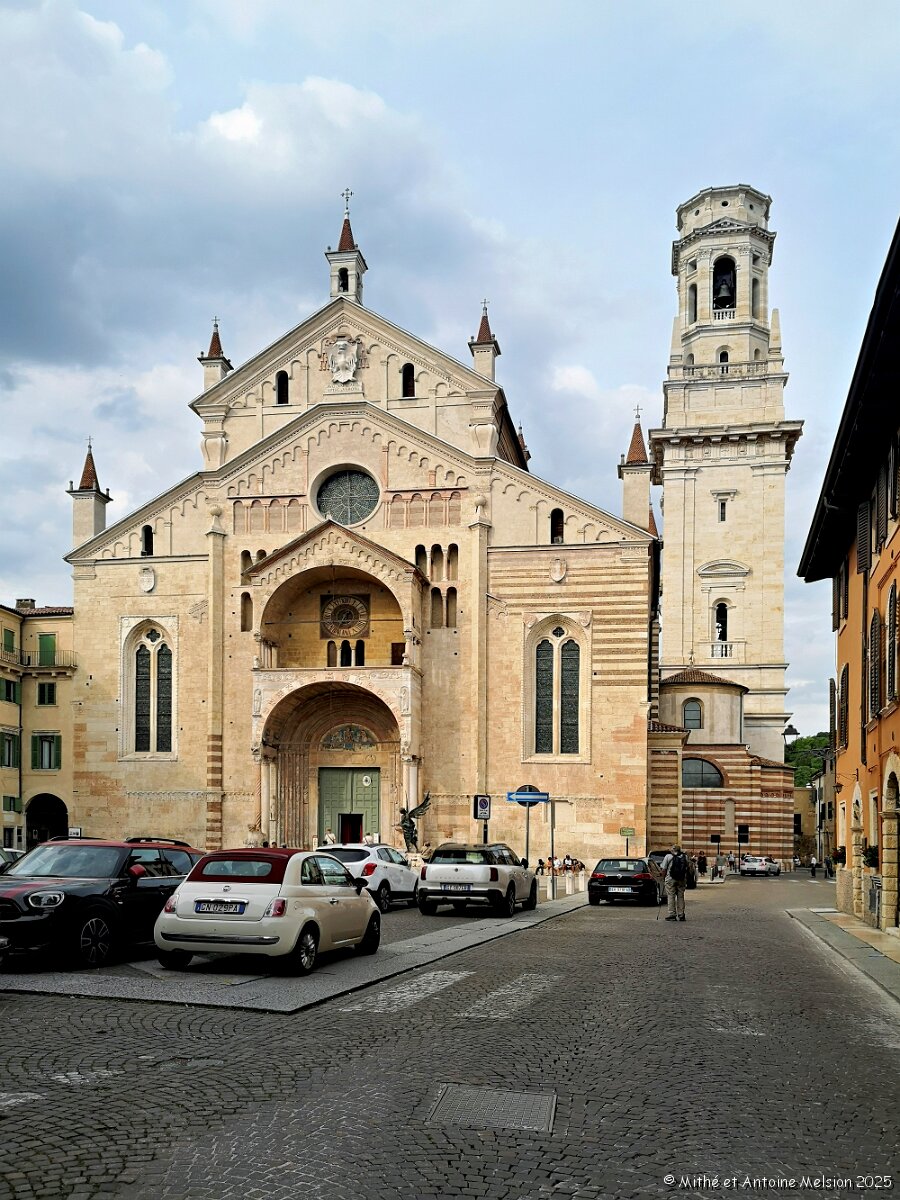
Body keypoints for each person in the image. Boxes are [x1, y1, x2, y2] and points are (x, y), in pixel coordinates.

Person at [661, 843, 689, 921]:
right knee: (681, 896)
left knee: (671, 896)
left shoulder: (668, 856)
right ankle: (681, 914)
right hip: (681, 879)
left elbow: (664, 869)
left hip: (670, 879)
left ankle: (672, 914)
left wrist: (663, 878)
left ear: (672, 850)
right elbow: (687, 867)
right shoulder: (685, 857)